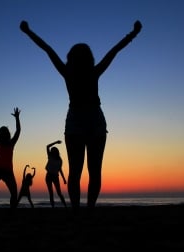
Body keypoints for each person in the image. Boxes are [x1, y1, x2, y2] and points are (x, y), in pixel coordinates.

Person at [20, 20, 142, 209]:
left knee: (80, 172)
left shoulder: (72, 72)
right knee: (90, 172)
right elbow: (115, 50)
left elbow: (48, 49)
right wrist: (133, 34)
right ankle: (86, 209)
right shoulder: (89, 71)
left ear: (71, 58)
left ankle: (80, 209)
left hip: (83, 121)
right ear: (89, 58)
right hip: (87, 121)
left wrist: (28, 32)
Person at [45, 140, 67, 208]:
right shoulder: (50, 156)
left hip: (55, 176)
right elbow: (47, 146)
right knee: (51, 193)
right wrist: (56, 142)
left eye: (53, 150)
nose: (52, 151)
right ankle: (53, 207)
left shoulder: (60, 160)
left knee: (59, 193)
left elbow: (60, 169)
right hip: (48, 176)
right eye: (51, 151)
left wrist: (64, 179)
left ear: (56, 152)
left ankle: (65, 206)